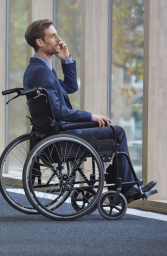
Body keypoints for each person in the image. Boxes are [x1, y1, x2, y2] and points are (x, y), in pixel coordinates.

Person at [23, 19, 156, 202]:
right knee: (117, 132)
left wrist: (66, 60)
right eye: (53, 36)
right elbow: (59, 111)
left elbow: (70, 87)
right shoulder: (41, 72)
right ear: (40, 42)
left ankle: (125, 186)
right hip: (63, 135)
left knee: (112, 131)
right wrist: (91, 116)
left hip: (58, 132)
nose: (59, 39)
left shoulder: (40, 69)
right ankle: (125, 188)